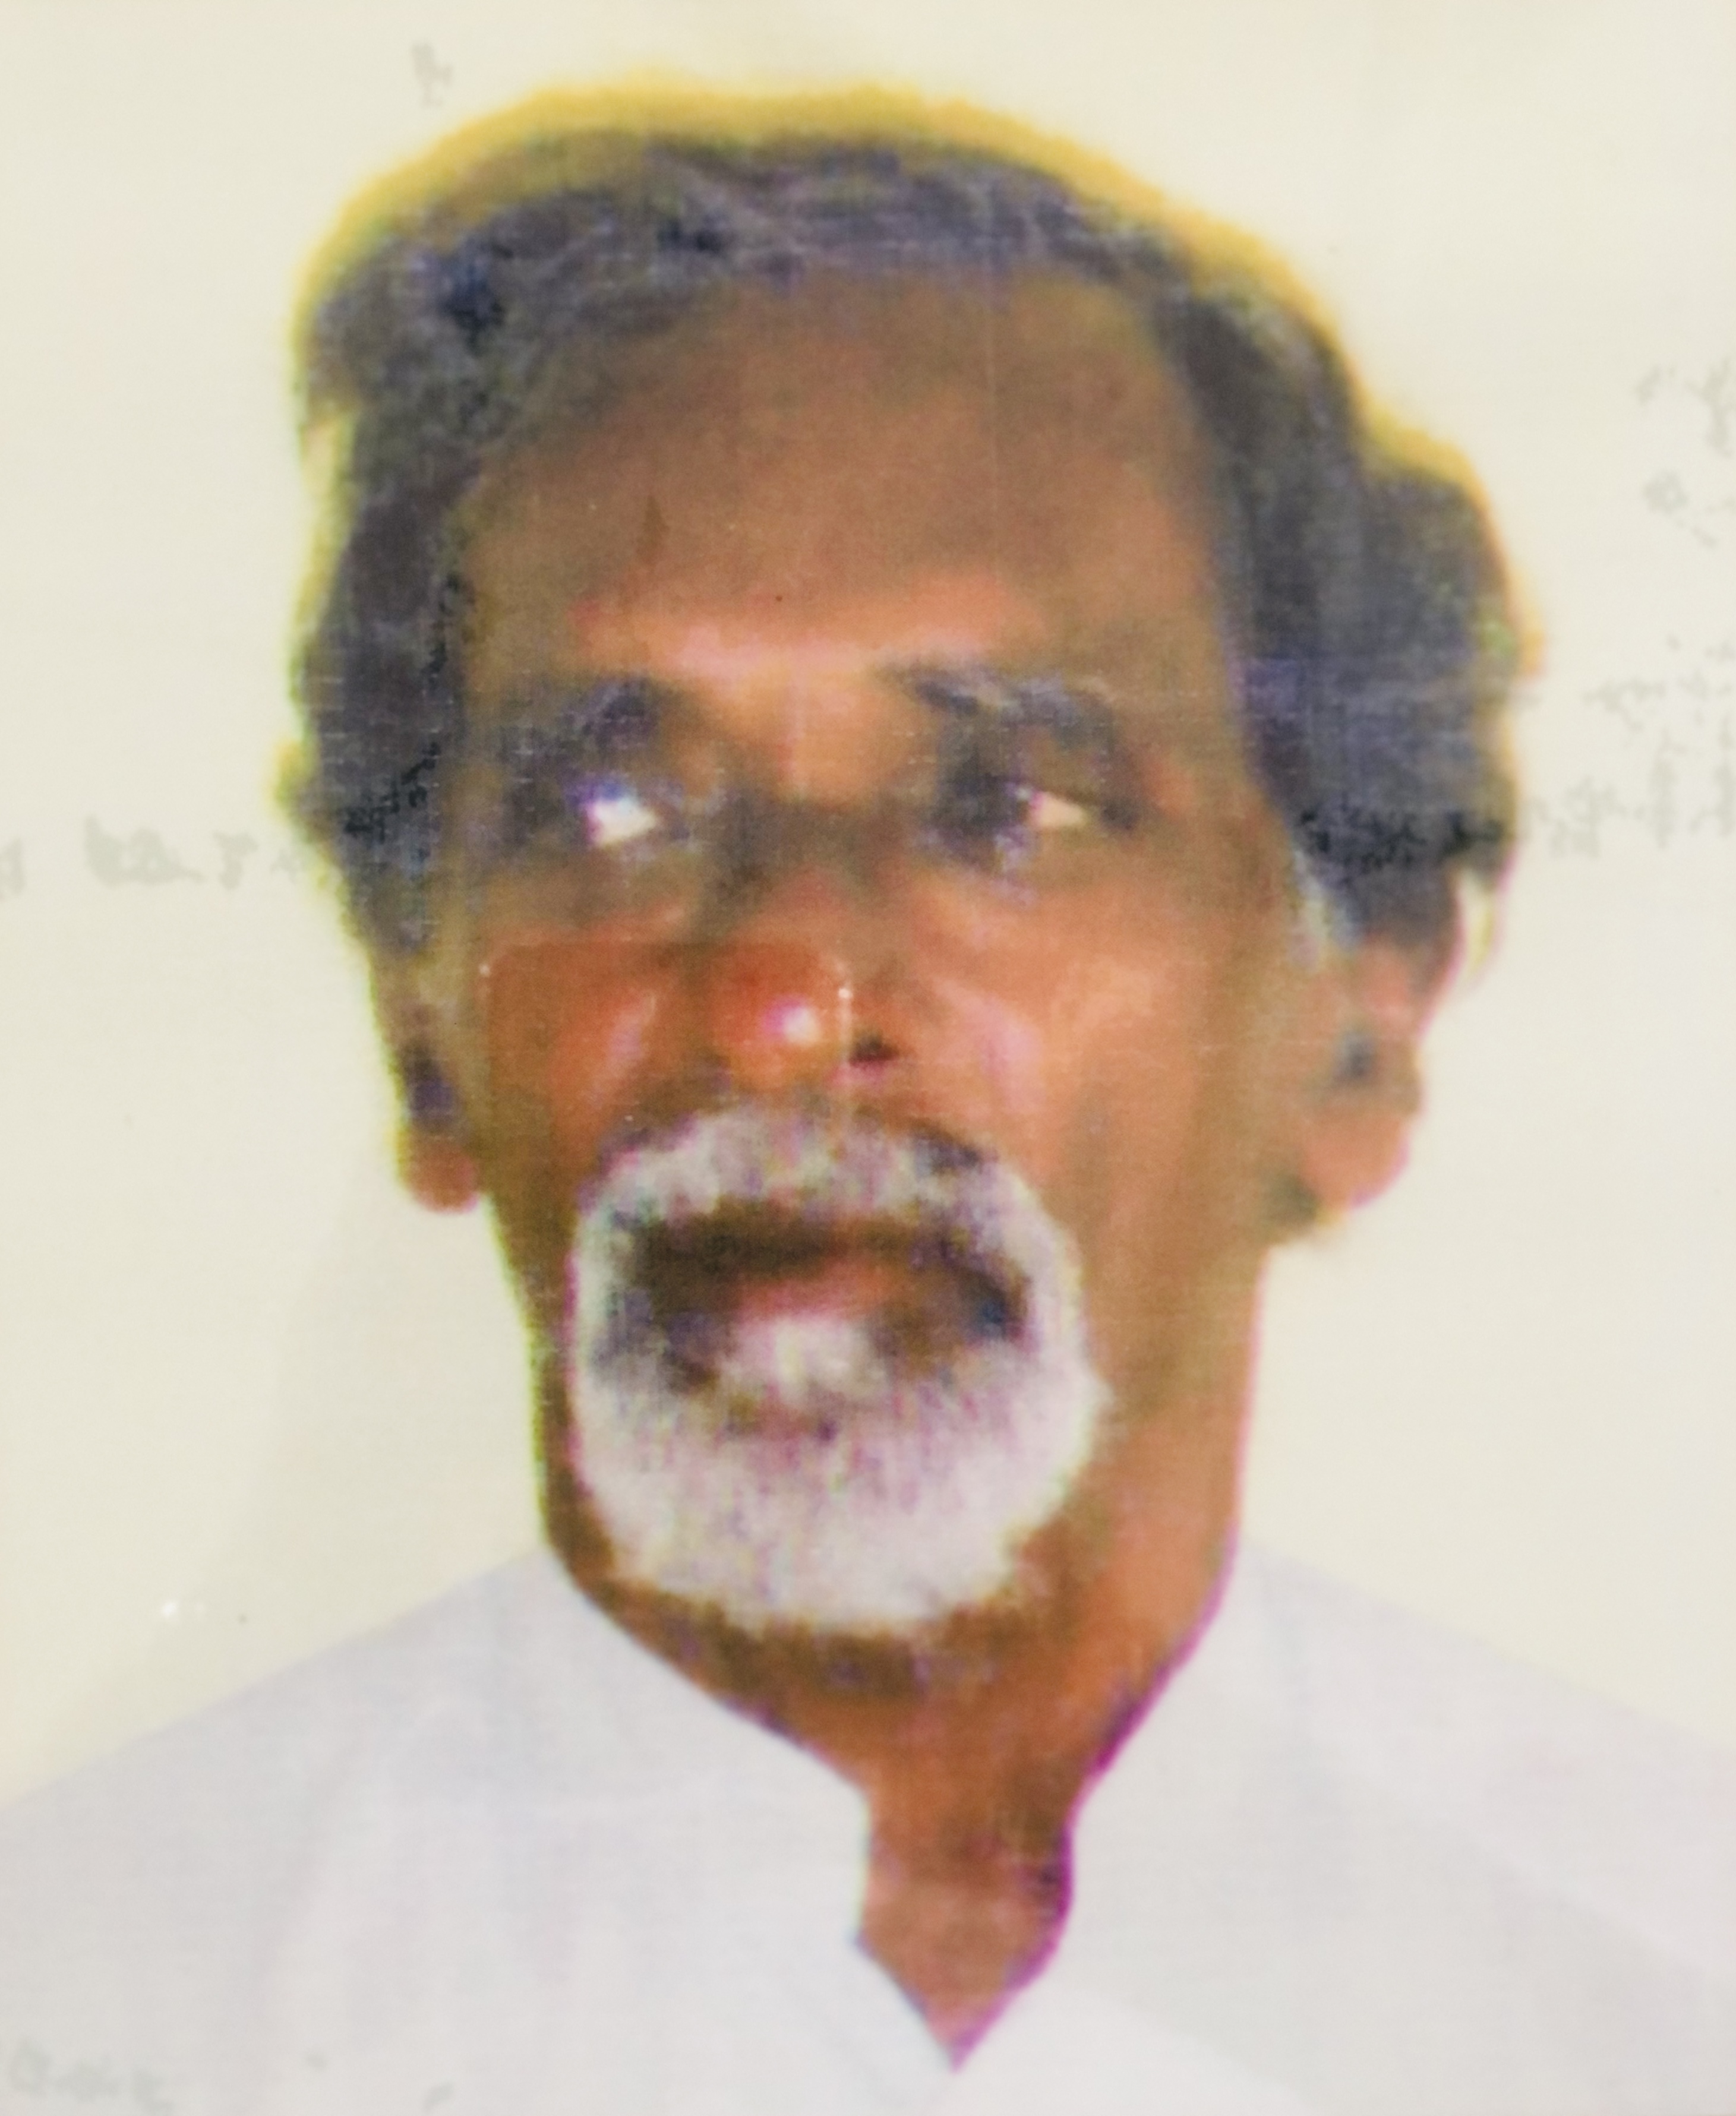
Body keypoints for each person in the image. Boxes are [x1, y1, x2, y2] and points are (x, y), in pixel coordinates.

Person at [1, 89, 1732, 2115]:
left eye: (1004, 805)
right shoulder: (84, 1995)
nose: (777, 1005)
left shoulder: (1664, 1982)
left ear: (1356, 1030)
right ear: (421, 1019)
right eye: (611, 809)